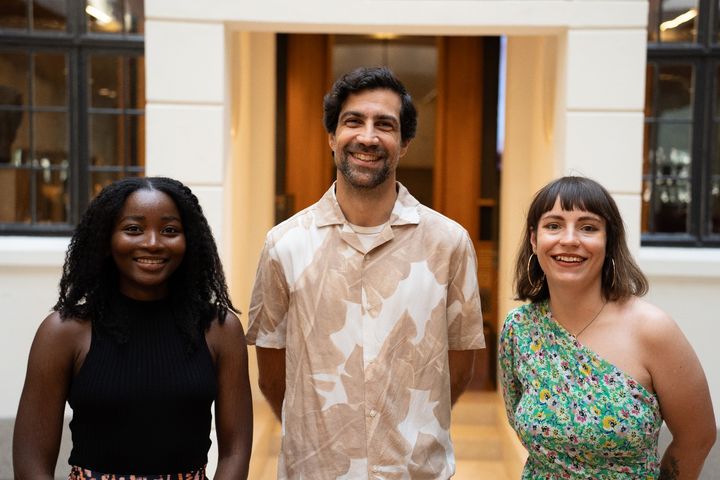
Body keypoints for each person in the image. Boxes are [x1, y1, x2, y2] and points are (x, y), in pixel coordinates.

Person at [246, 66, 485, 479]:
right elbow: (271, 373)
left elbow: (459, 367)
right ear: (331, 137)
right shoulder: (284, 244)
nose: (368, 137)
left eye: (385, 125)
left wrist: (412, 427)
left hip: (416, 472)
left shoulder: (449, 243)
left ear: (405, 143)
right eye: (353, 121)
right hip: (314, 470)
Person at [13, 177, 253, 479]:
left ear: (189, 240)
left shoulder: (220, 330)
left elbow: (236, 451)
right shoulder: (63, 332)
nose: (152, 242)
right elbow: (30, 461)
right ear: (105, 240)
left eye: (169, 230)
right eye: (133, 229)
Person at [499, 176, 716, 479]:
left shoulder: (652, 330)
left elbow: (698, 438)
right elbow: (517, 418)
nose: (570, 239)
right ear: (534, 241)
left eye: (588, 227)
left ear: (609, 241)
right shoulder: (519, 329)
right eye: (554, 225)